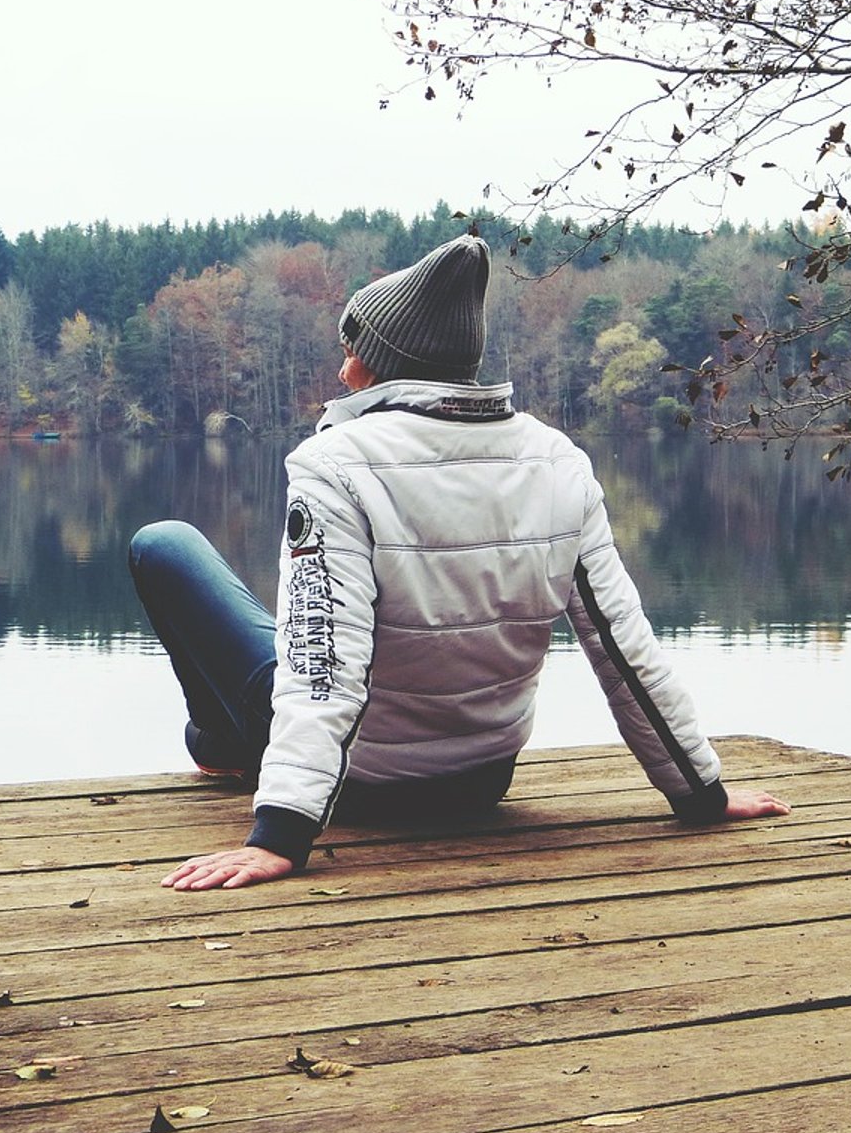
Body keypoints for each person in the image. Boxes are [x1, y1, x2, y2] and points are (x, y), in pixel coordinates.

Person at [129, 234, 791, 891]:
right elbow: (624, 651)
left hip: (361, 786)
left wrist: (281, 835)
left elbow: (322, 663)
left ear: (383, 364)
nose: (341, 372)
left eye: (350, 351)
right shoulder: (558, 460)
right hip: (482, 779)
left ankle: (218, 744)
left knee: (164, 546)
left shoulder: (334, 465)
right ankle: (222, 744)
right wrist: (700, 791)